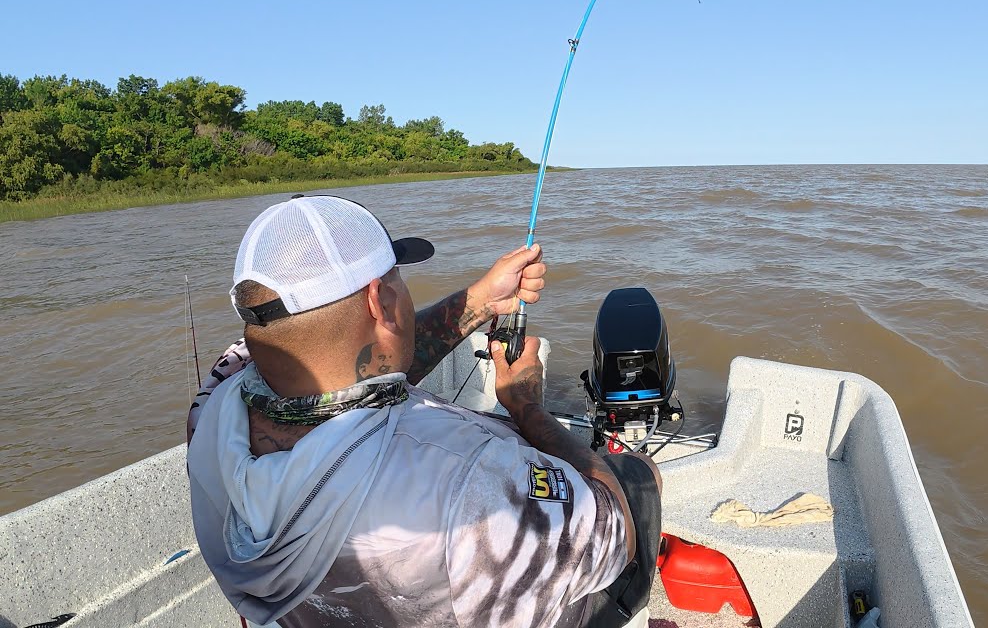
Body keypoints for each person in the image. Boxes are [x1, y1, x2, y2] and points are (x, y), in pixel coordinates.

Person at [186, 195, 662, 628]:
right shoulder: (464, 486)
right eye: (398, 280)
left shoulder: (213, 405)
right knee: (638, 479)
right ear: (382, 300)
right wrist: (526, 406)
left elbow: (346, 366)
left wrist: (478, 302)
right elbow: (615, 531)